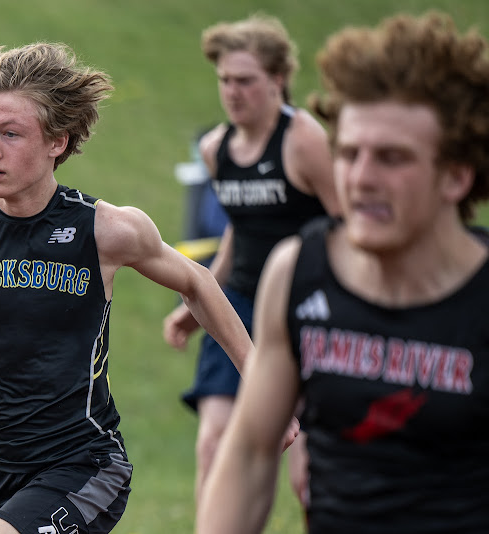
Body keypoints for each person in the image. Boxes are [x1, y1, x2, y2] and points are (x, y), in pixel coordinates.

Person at [0, 42, 256, 534]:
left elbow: (197, 281)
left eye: (11, 134)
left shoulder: (106, 229)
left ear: (57, 142)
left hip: (85, 464)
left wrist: (258, 383)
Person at [196, 11, 489, 534]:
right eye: (349, 155)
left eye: (392, 158)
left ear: (457, 176)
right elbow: (251, 452)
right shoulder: (300, 273)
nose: (361, 179)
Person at [162, 13, 339, 507]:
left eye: (245, 80)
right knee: (214, 443)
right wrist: (198, 299)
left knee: (309, 466)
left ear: (278, 79)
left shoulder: (303, 139)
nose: (232, 92)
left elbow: (348, 224)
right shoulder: (216, 148)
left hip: (304, 305)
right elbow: (240, 229)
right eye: (224, 81)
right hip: (238, 302)